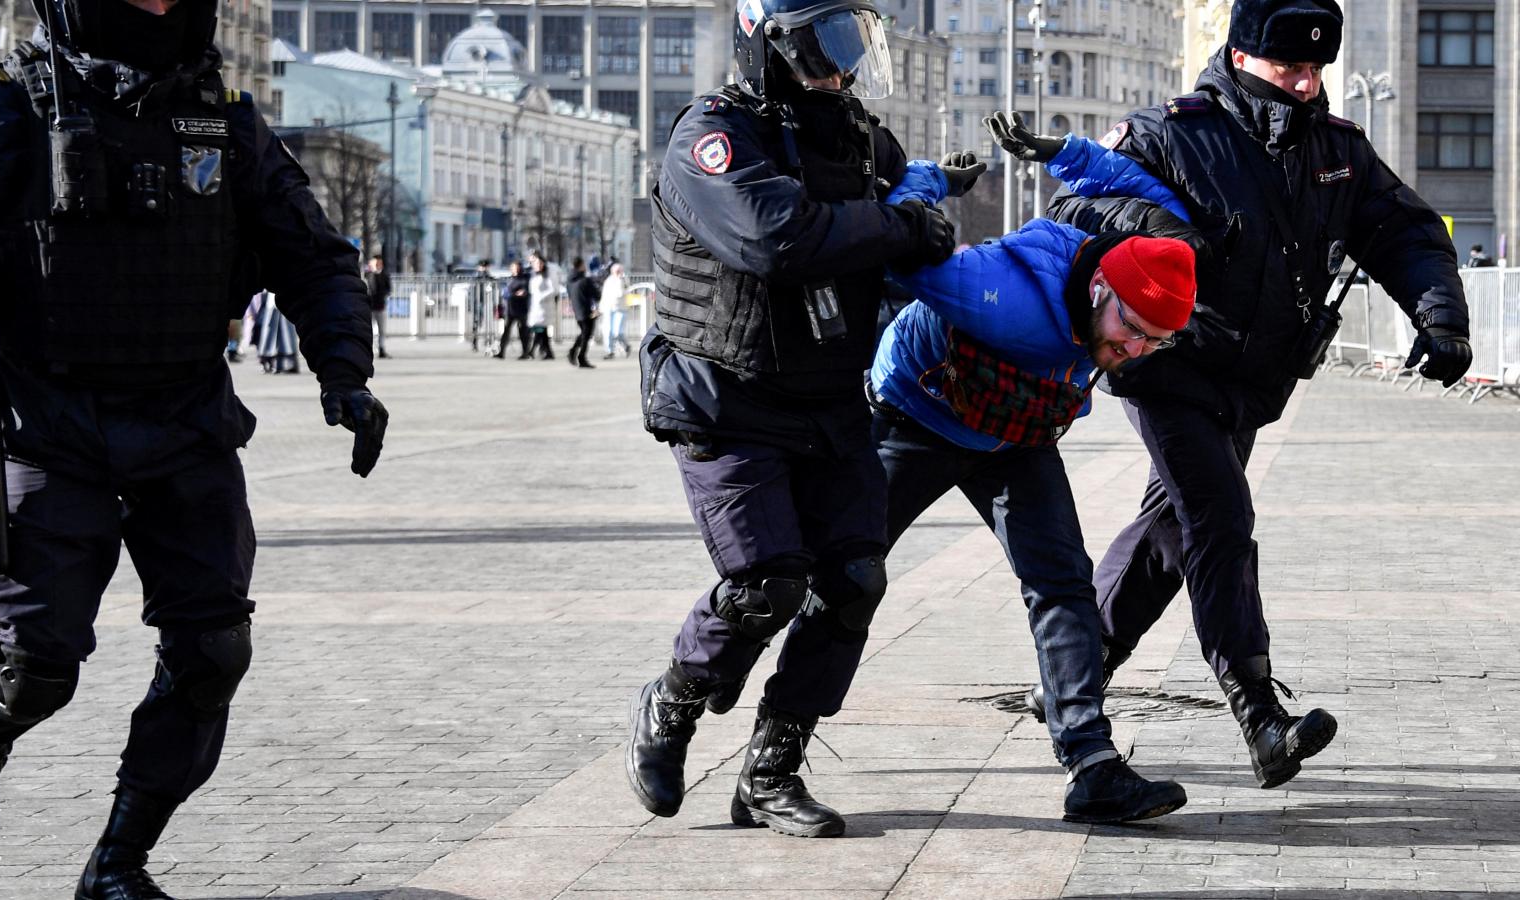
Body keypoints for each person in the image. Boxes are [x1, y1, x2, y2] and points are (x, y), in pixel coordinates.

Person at [0, 1, 390, 897]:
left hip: (185, 424)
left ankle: (118, 865)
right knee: (35, 668)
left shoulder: (221, 119)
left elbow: (315, 257)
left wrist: (345, 372)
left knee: (212, 652)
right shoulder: (1, 105)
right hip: (45, 423)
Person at [1035, 0, 1470, 790]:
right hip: (1166, 365)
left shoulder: (1336, 151)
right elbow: (1073, 203)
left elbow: (1404, 230)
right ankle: (1261, 717)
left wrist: (1440, 317)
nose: (1305, 85)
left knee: (1173, 532)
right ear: (1240, 55)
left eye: (1315, 70)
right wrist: (1156, 228)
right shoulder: (1173, 134)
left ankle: (1073, 675)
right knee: (1220, 515)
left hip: (1253, 382)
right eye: (1288, 68)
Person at [625, 0, 967, 838]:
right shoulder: (713, 133)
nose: (840, 68)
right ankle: (673, 698)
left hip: (828, 396)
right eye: (823, 46)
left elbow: (913, 224)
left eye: (852, 45)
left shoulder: (856, 135)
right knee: (765, 584)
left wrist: (930, 224)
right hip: (722, 392)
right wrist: (899, 224)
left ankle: (772, 770)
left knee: (853, 580)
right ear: (766, 45)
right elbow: (774, 236)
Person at [839, 128, 1208, 823]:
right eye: (1129, 330)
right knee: (844, 575)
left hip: (1017, 431)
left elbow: (1151, 197)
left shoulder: (1153, 277)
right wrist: (930, 180)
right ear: (1102, 287)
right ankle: (769, 744)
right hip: (917, 410)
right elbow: (906, 244)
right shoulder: (995, 289)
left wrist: (1067, 150)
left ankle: (1092, 766)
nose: (1132, 352)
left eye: (1152, 344)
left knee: (1063, 582)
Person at [566, 256, 600, 369]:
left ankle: (574, 353)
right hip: (586, 310)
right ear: (580, 266)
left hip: (577, 310)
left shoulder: (570, 280)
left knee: (584, 333)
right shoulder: (585, 280)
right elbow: (596, 295)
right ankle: (580, 356)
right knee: (586, 334)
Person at [526, 251, 558, 361]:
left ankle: (532, 351)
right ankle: (547, 352)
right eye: (535, 263)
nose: (538, 266)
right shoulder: (533, 275)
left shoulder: (547, 275)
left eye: (540, 263)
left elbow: (553, 289)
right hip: (535, 307)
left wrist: (541, 297)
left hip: (544, 307)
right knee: (540, 331)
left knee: (540, 330)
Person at [497, 259, 532, 359]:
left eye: (517, 268)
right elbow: (507, 293)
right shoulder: (510, 279)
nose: (515, 270)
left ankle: (525, 352)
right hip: (510, 309)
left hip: (521, 309)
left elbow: (523, 292)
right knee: (506, 331)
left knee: (523, 332)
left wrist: (513, 294)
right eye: (513, 268)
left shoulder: (524, 279)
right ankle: (501, 352)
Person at [600, 263, 632, 359]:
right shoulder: (608, 281)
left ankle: (626, 345)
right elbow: (604, 295)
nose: (618, 272)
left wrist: (620, 280)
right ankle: (610, 351)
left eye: (619, 270)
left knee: (618, 332)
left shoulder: (623, 280)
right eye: (616, 271)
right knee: (608, 331)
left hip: (621, 309)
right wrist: (601, 307)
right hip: (609, 308)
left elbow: (622, 292)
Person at [363, 252, 392, 359]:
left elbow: (388, 289)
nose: (377, 264)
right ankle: (368, 349)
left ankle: (381, 349)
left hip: (380, 306)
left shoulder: (384, 275)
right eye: (375, 262)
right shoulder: (368, 275)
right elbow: (368, 288)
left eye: (379, 262)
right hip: (369, 307)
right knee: (368, 329)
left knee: (381, 330)